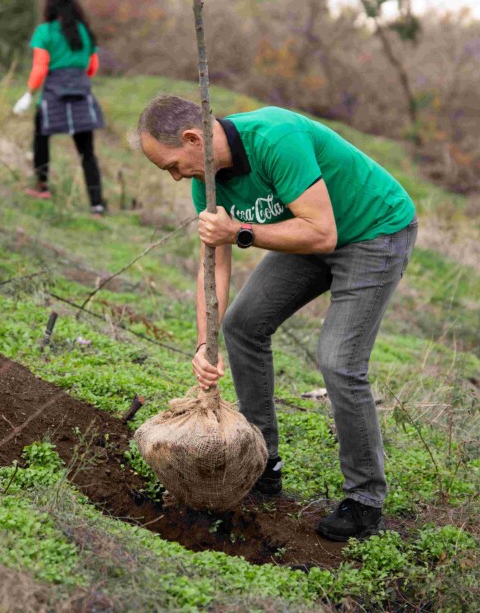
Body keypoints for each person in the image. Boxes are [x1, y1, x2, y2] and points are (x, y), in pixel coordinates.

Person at [134, 95, 418, 541]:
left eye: (171, 164)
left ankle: (365, 499)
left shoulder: (274, 138)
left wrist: (242, 231)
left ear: (193, 139)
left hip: (372, 230)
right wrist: (203, 346)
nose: (173, 177)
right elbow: (215, 266)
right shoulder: (206, 182)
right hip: (307, 232)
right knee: (242, 324)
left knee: (339, 361)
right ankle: (262, 462)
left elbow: (323, 233)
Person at [12, 0, 106, 215]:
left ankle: (42, 186)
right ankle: (97, 203)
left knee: (41, 137)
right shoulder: (84, 31)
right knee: (87, 152)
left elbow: (40, 68)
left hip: (53, 94)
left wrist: (28, 94)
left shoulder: (45, 32)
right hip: (81, 94)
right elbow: (92, 67)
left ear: (49, 5)